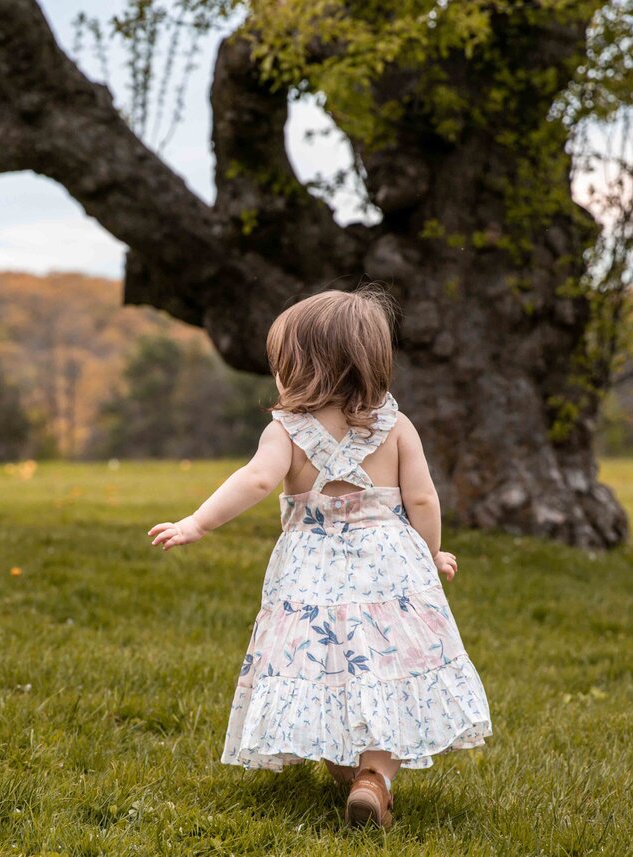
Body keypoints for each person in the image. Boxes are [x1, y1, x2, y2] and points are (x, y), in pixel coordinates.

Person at [147, 285, 491, 829]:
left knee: (322, 668)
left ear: (303, 369)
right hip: (389, 567)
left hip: (311, 573)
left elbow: (257, 479)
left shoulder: (286, 430)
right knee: (387, 667)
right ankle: (374, 778)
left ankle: (348, 771)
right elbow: (423, 498)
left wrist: (196, 523)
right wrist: (429, 555)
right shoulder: (396, 427)